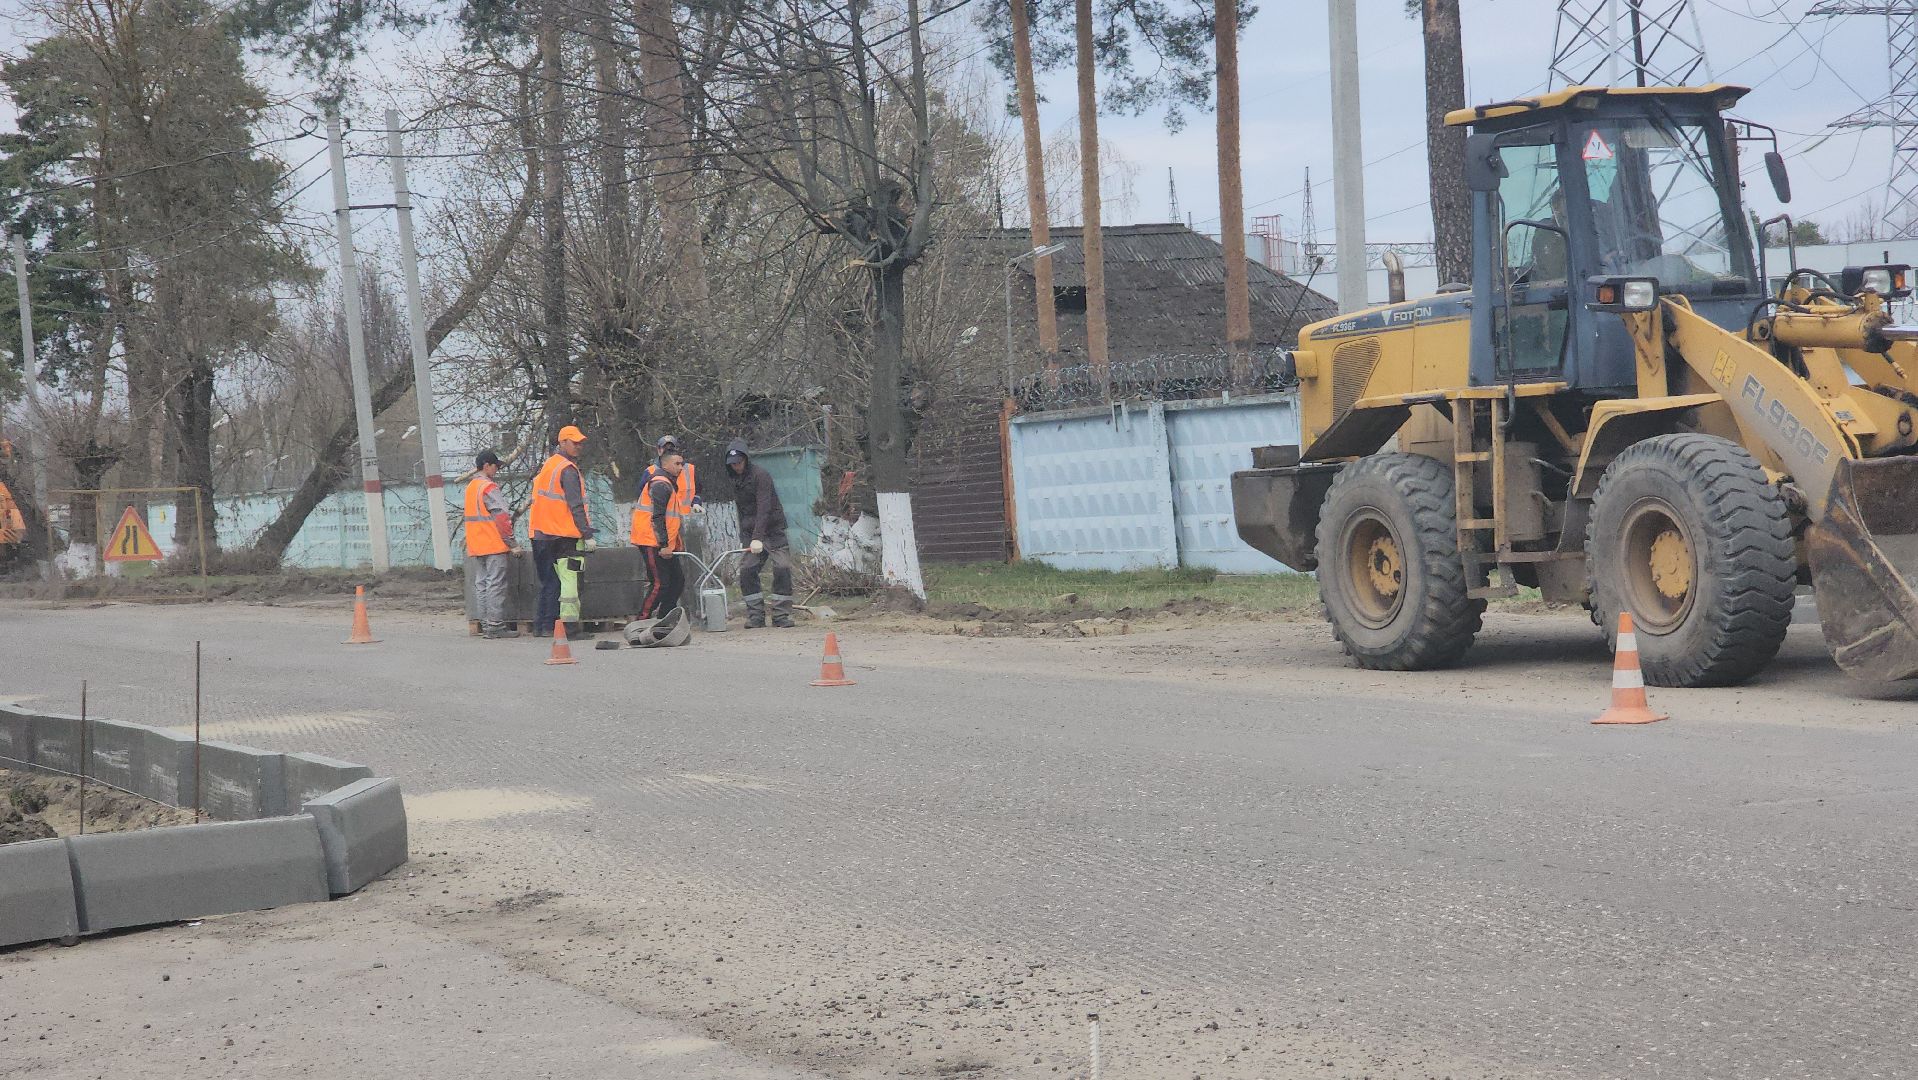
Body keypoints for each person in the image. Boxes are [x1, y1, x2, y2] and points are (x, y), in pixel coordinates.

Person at [529, 424, 595, 637]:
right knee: (570, 581)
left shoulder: (549, 465)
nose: (578, 447)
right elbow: (575, 505)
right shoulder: (567, 469)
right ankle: (569, 627)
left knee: (550, 582)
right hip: (563, 535)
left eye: (580, 443)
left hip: (542, 534)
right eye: (574, 442)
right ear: (562, 442)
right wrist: (587, 534)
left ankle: (544, 626)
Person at [726, 438, 793, 628]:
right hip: (751, 534)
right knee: (747, 570)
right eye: (733, 464)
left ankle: (781, 614)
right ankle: (755, 615)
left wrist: (757, 537)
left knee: (782, 567)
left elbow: (764, 508)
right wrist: (746, 537)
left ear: (746, 459)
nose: (737, 467)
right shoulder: (735, 480)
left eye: (739, 462)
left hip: (773, 530)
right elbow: (742, 511)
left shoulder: (760, 475)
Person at [463, 450, 521, 639]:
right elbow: (502, 517)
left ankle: (487, 624)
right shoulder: (488, 487)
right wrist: (512, 543)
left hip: (477, 544)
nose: (497, 469)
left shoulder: (471, 487)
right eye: (495, 466)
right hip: (493, 543)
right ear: (486, 465)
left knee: (482, 584)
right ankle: (495, 626)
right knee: (495, 584)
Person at [632, 450, 687, 621]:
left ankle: (664, 618)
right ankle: (642, 620)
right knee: (660, 583)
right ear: (665, 465)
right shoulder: (661, 484)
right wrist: (663, 544)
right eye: (677, 464)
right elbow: (657, 517)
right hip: (652, 541)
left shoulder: (667, 483)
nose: (680, 468)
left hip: (662, 543)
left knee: (677, 581)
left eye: (682, 464)